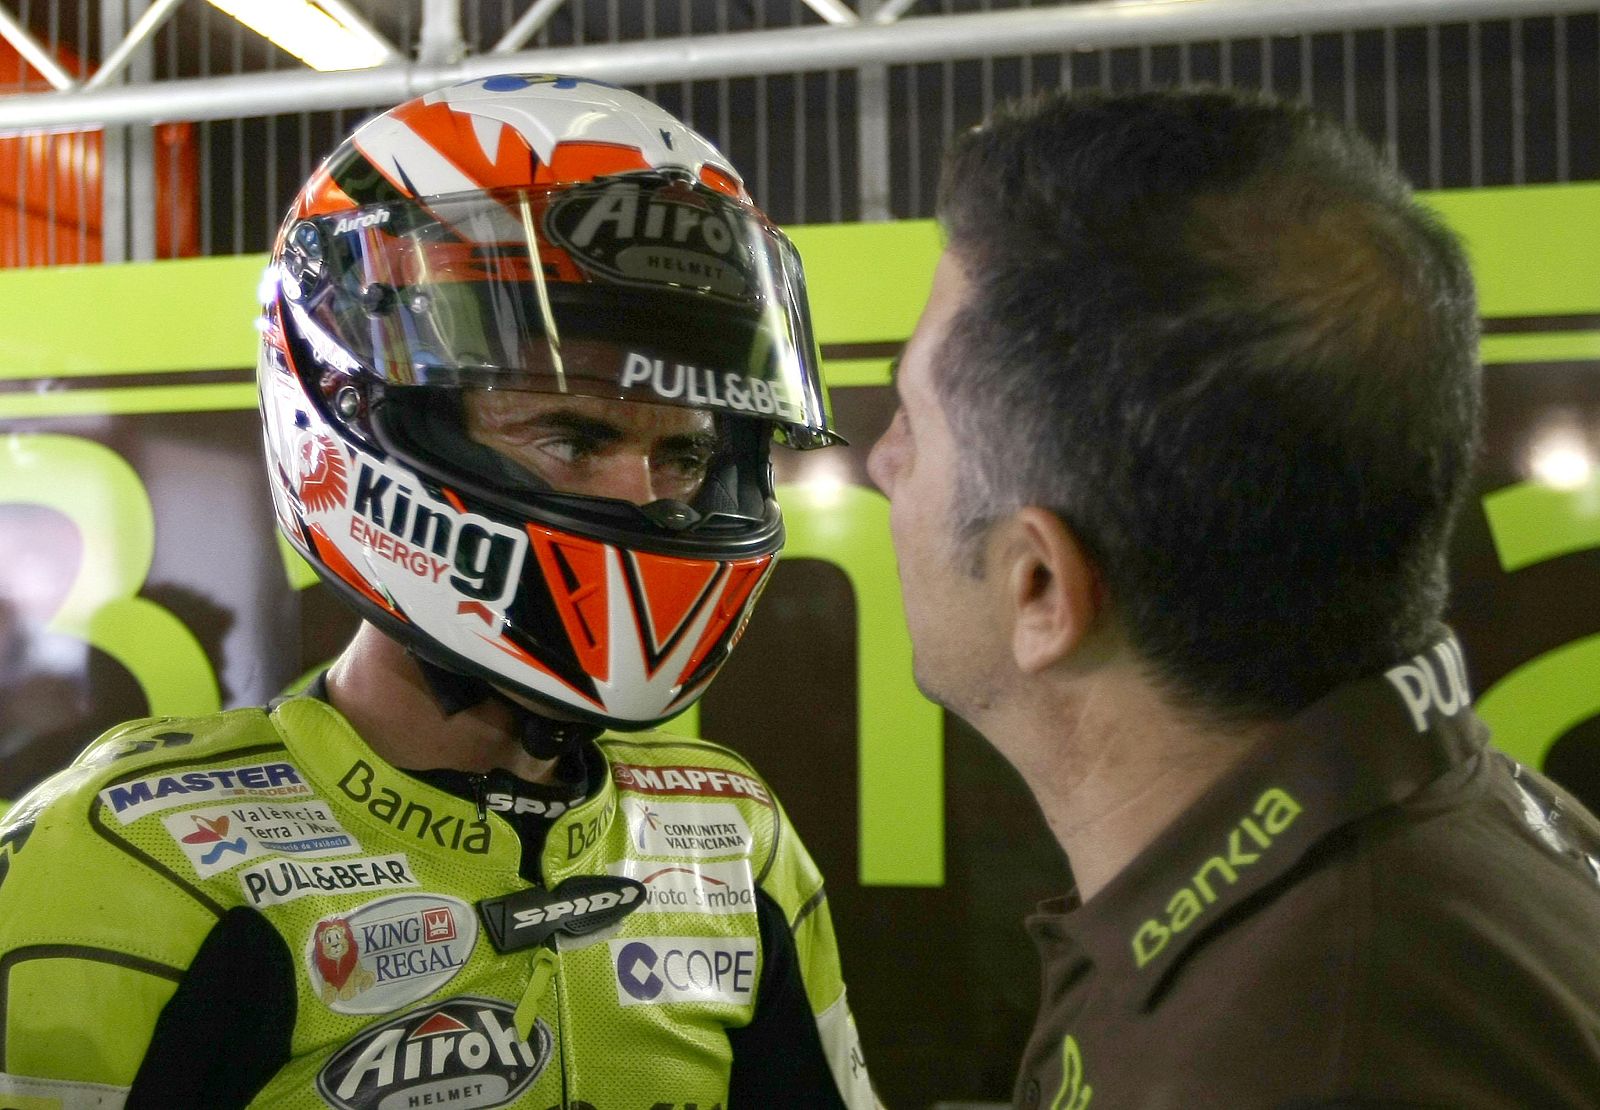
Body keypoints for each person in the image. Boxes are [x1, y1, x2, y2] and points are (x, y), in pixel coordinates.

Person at [0, 75, 877, 1110]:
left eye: (683, 453)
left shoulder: (733, 836)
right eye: (574, 435)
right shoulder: (137, 858)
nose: (642, 497)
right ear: (363, 416)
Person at [867, 86, 1600, 1108]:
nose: (877, 464)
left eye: (909, 420)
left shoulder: (1289, 1055)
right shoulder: (1443, 834)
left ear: (1040, 588)